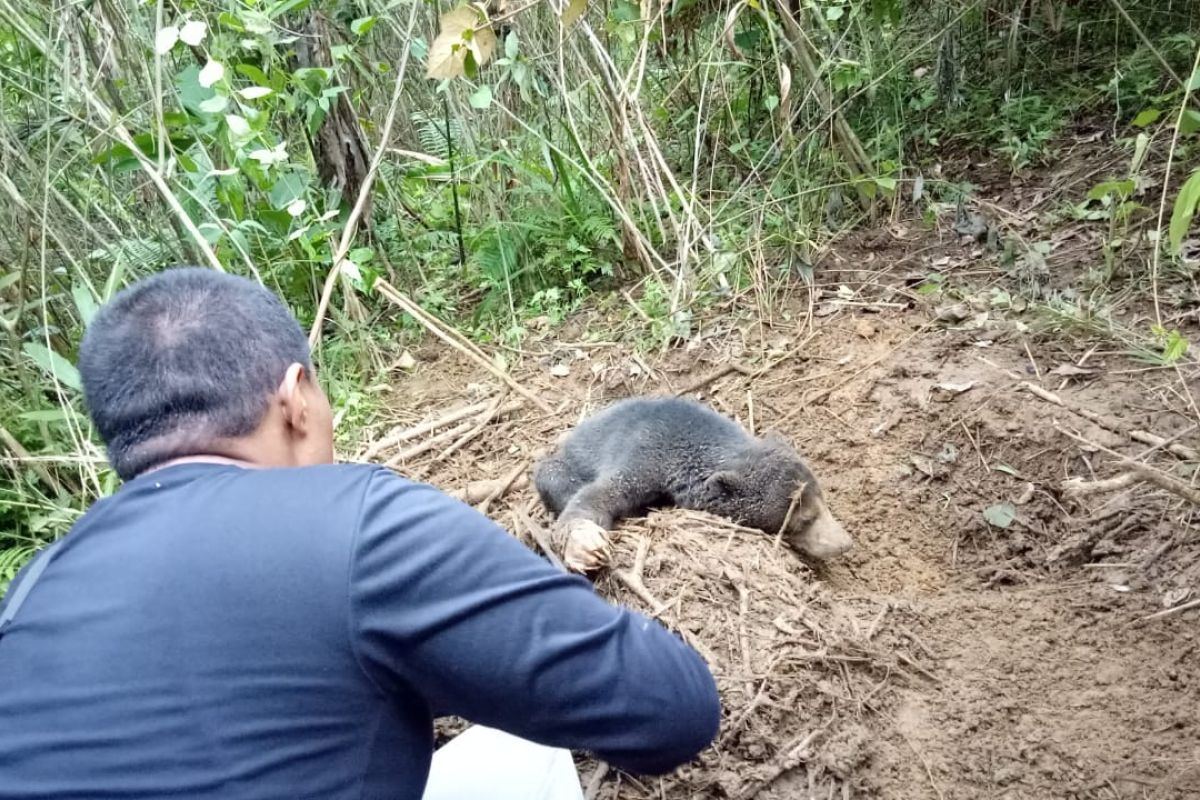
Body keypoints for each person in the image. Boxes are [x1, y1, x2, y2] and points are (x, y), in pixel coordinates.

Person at [0, 267, 720, 800]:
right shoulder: (356, 524)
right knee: (523, 758)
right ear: (296, 399)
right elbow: (671, 709)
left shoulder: (31, 591)